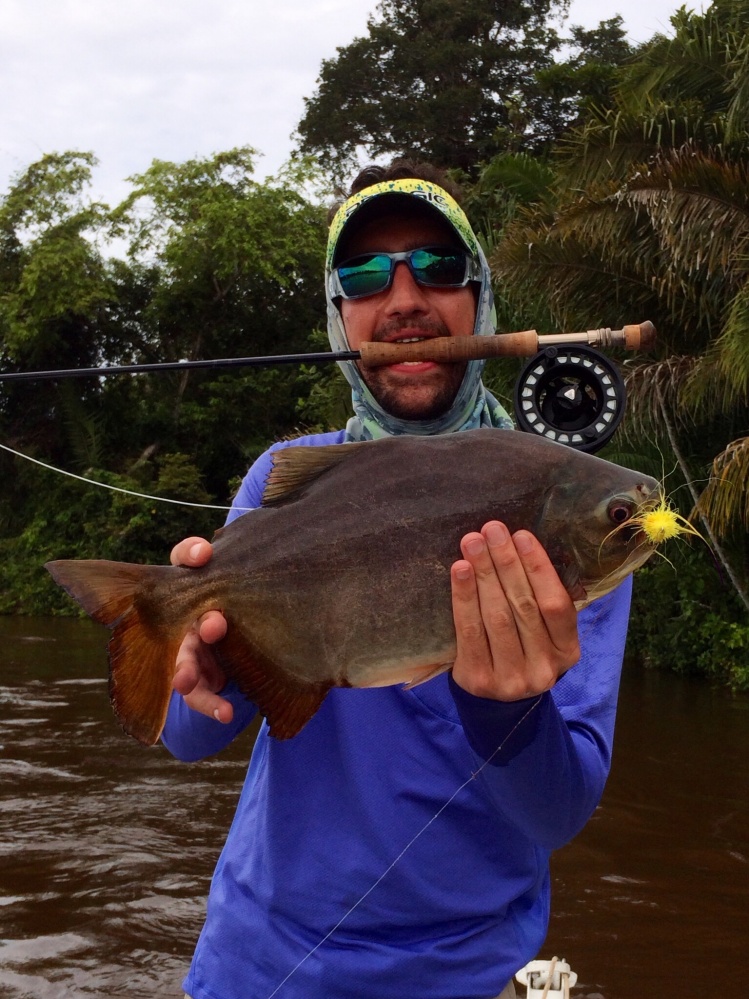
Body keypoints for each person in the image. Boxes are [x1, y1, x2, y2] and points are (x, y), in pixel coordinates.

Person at [163, 161, 632, 999]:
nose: (405, 297)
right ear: (340, 312)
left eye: (439, 267)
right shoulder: (283, 476)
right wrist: (198, 667)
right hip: (258, 965)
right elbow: (187, 734)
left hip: (467, 976)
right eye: (366, 274)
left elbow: (557, 815)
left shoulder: (574, 511)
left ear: (479, 298)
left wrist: (508, 713)